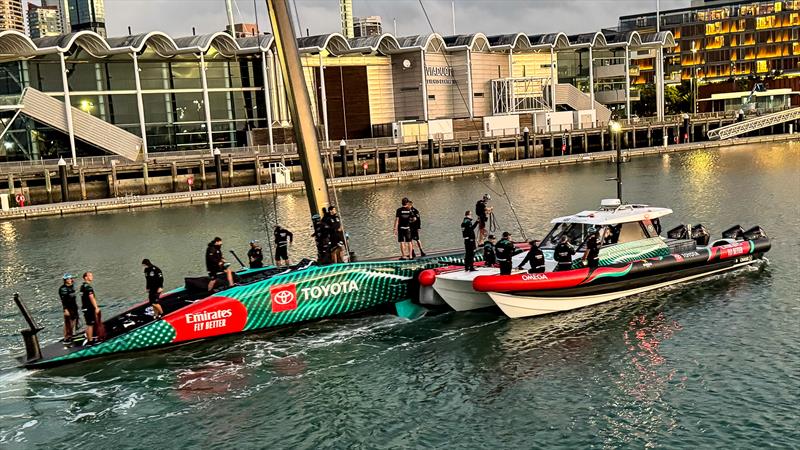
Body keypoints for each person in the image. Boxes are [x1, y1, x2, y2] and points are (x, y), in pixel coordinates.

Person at [79, 272, 101, 346]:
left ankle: (89, 339)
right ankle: (90, 341)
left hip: (84, 308)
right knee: (91, 324)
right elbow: (91, 297)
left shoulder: (82, 286)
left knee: (88, 324)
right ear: (85, 277)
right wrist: (96, 307)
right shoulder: (88, 287)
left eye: (92, 275)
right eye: (90, 275)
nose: (92, 277)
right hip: (89, 308)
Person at [58, 274, 79, 343]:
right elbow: (63, 300)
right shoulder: (63, 289)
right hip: (68, 307)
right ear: (65, 280)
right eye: (67, 279)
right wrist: (65, 310)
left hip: (74, 306)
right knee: (67, 322)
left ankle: (70, 334)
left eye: (70, 279)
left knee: (73, 320)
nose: (69, 280)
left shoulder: (72, 286)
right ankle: (66, 337)